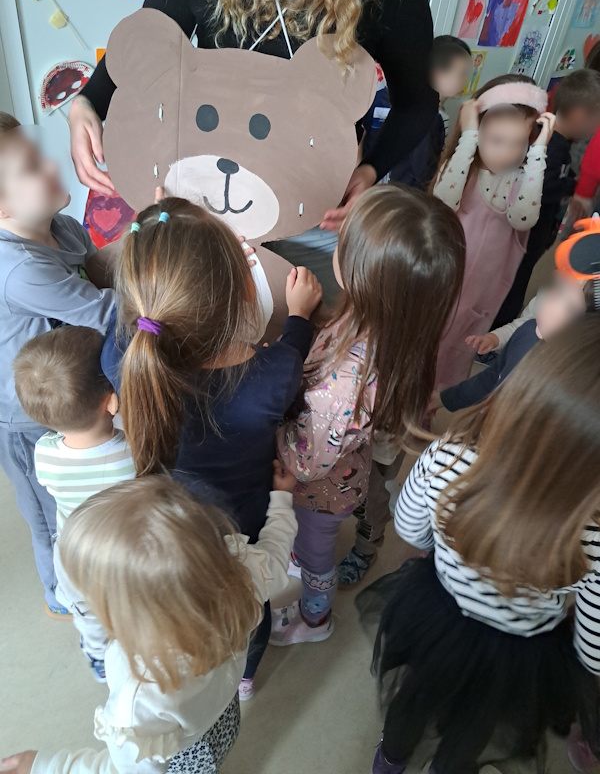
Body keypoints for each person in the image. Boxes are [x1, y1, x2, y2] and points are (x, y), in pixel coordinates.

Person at [68, 0, 438, 299]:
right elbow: (148, 42)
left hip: (309, 211)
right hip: (203, 203)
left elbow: (417, 104)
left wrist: (370, 170)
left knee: (293, 332)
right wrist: (88, 102)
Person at [358, 315, 600, 774]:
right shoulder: (592, 534)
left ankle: (390, 758)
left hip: (438, 612)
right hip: (518, 655)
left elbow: (409, 528)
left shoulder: (449, 454)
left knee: (414, 695)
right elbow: (593, 649)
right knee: (476, 726)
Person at [101, 196, 321, 697]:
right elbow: (291, 355)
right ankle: (245, 677)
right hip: (246, 521)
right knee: (250, 604)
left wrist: (164, 248)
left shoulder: (121, 355)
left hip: (167, 523)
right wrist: (300, 316)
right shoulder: (273, 373)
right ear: (246, 291)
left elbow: (139, 304)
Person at [1, 465, 298, 774]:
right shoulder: (240, 576)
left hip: (180, 754)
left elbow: (128, 770)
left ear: (132, 612)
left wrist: (47, 765)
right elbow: (276, 554)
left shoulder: (142, 696)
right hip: (222, 717)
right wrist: (281, 500)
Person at [270, 185, 466, 645]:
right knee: (311, 545)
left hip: (317, 492)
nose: (336, 242)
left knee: (315, 559)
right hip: (344, 469)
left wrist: (268, 416)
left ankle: (315, 619)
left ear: (362, 274)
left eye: (346, 242)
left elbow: (304, 461)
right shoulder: (396, 320)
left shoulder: (347, 380)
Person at [0, 113, 114, 618]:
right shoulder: (21, 269)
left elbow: (99, 272)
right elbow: (104, 310)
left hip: (68, 387)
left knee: (82, 495)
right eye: (31, 168)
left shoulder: (61, 227)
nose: (51, 166)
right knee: (49, 511)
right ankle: (59, 595)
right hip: (26, 412)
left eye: (39, 155)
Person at [13, 325, 135, 681]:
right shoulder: (133, 454)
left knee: (89, 616)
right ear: (112, 401)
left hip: (75, 556)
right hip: (126, 553)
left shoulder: (45, 454)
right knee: (130, 608)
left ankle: (98, 659)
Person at [432, 74, 554, 388]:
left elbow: (523, 219)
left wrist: (538, 153)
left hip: (477, 302)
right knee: (422, 351)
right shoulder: (461, 169)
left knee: (451, 366)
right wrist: (469, 138)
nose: (507, 153)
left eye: (519, 143)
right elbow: (442, 205)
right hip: (436, 290)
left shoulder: (522, 179)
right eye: (496, 141)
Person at [493, 68, 600, 327]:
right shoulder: (551, 143)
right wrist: (570, 190)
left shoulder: (560, 142)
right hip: (528, 230)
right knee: (516, 279)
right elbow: (543, 186)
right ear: (579, 115)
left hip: (537, 228)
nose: (596, 129)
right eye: (596, 120)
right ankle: (499, 328)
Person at [430, 271, 597, 414]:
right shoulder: (529, 330)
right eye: (558, 288)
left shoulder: (568, 382)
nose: (552, 304)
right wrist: (445, 399)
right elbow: (492, 377)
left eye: (571, 309)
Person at [362, 36, 472, 188]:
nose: (465, 82)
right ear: (437, 72)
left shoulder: (386, 96)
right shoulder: (429, 117)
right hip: (399, 192)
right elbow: (424, 172)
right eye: (461, 74)